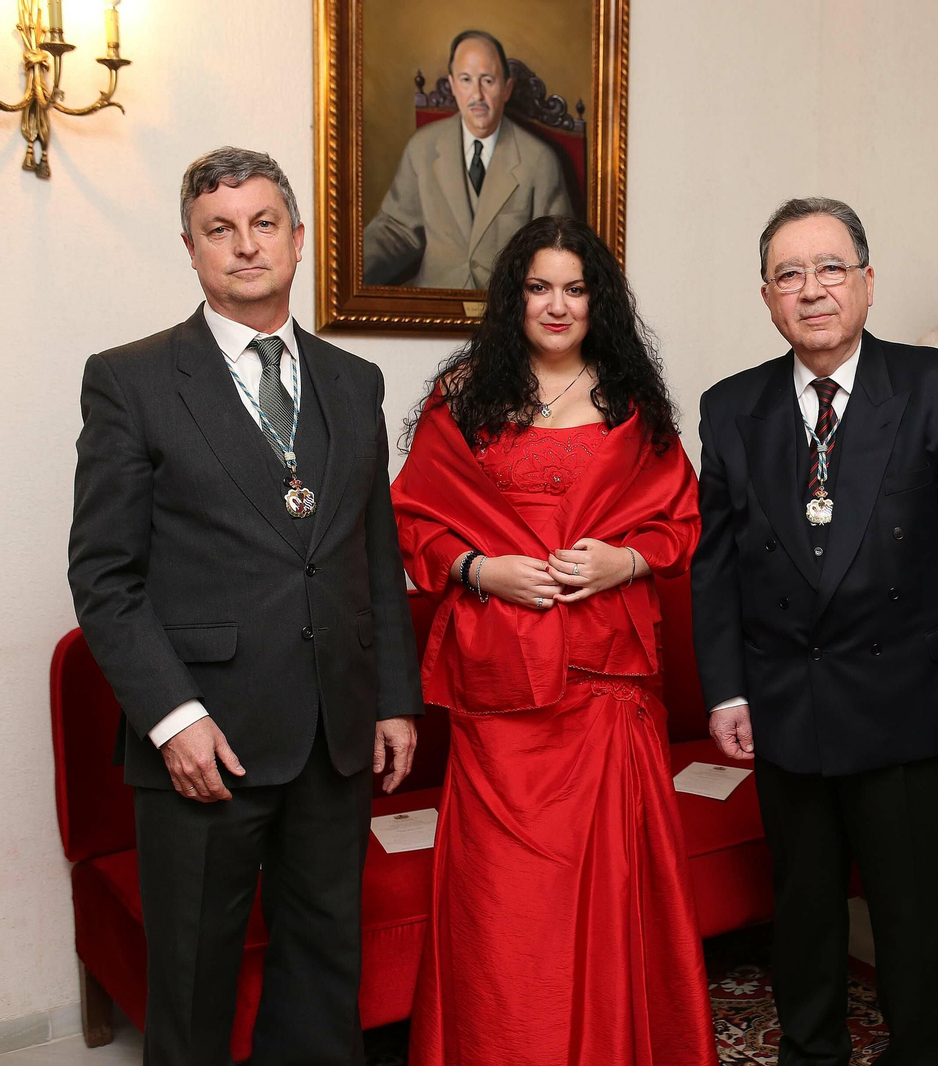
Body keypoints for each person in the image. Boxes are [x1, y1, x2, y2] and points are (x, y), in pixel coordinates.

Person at [67, 146, 422, 1065]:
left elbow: (372, 553)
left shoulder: (354, 381)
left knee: (320, 971)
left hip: (334, 734)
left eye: (264, 223)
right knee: (189, 986)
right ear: (190, 249)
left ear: (298, 240)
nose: (245, 244)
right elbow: (104, 577)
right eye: (219, 230)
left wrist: (391, 696)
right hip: (204, 743)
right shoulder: (131, 379)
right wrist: (172, 720)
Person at [691, 196, 938, 1064]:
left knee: (910, 911)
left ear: (867, 283)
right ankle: (811, 1051)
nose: (812, 290)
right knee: (802, 907)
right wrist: (724, 688)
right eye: (789, 275)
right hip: (787, 698)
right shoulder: (730, 409)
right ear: (766, 297)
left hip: (907, 698)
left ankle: (917, 1054)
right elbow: (713, 562)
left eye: (831, 269)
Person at [390, 215, 713, 1065]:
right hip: (498, 693)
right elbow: (411, 521)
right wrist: (478, 572)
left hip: (605, 686)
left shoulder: (631, 405)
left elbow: (683, 523)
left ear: (597, 301)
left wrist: (625, 561)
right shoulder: (463, 395)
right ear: (514, 298)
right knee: (502, 905)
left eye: (575, 287)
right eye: (540, 287)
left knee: (605, 895)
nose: (558, 304)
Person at [363, 30, 573, 288]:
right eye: (466, 79)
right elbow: (396, 231)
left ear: (507, 88)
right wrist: (347, 278)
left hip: (505, 315)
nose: (477, 95)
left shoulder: (540, 161)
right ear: (452, 85)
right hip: (430, 310)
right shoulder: (422, 147)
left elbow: (558, 250)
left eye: (487, 81)